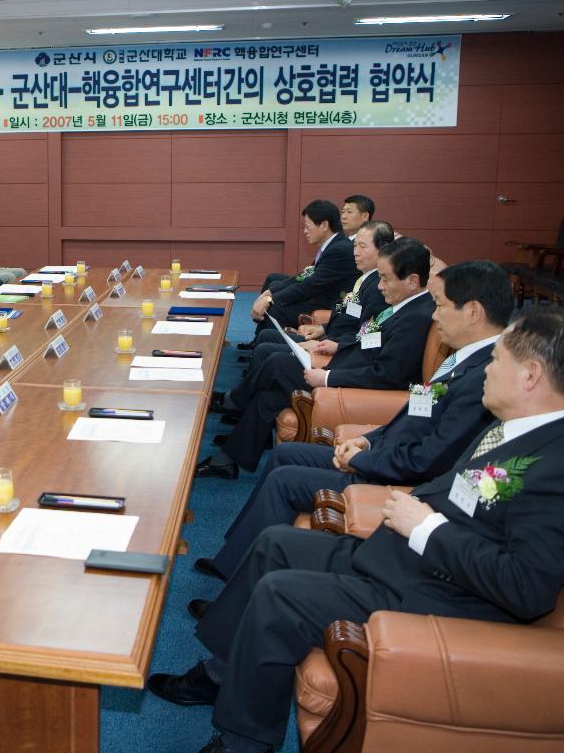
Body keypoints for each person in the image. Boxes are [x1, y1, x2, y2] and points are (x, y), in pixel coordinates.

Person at [148, 306, 564, 753]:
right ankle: (220, 674)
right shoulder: (521, 429)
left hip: (443, 595)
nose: (486, 368)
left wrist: (426, 527)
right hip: (409, 558)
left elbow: (527, 587)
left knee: (279, 594)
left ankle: (243, 740)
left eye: (497, 360)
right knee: (275, 543)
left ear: (530, 375)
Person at [194, 260, 512, 582]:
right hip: (384, 448)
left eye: (441, 305)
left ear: (472, 311)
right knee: (283, 452)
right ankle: (233, 558)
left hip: (395, 475)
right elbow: (415, 414)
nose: (434, 314)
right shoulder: (464, 360)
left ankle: (237, 570)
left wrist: (365, 458)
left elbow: (429, 455)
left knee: (284, 476)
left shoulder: (483, 378)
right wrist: (369, 439)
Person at [202, 238, 436, 478]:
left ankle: (234, 401)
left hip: (349, 385)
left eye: (386, 279)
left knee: (277, 362)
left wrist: (327, 377)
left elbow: (387, 375)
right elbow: (372, 340)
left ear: (412, 281)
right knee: (267, 398)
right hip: (344, 364)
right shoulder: (402, 307)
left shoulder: (415, 318)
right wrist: (338, 346)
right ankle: (227, 460)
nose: (380, 286)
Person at [246, 220, 392, 364]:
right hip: (329, 338)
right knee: (267, 337)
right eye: (355, 245)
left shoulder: (380, 289)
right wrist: (322, 328)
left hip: (338, 354)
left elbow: (371, 337)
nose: (356, 253)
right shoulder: (365, 279)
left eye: (363, 247)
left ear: (384, 249)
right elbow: (351, 318)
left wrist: (331, 345)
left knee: (266, 350)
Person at [249, 200, 357, 334]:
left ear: (324, 225)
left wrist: (271, 300)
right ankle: (258, 339)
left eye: (307, 226)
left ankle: (264, 344)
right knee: (274, 280)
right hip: (320, 292)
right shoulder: (333, 244)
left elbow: (310, 285)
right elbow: (306, 275)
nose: (305, 231)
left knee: (276, 308)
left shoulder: (339, 249)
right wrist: (269, 292)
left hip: (328, 301)